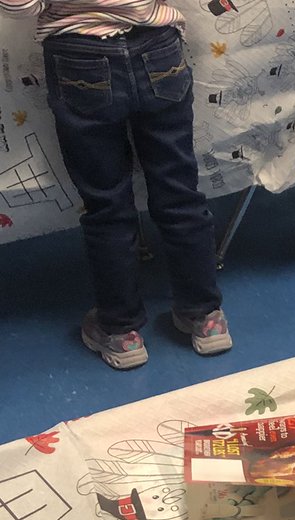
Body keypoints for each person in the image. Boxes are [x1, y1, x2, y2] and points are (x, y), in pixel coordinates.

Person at [0, 0, 232, 368]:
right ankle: (205, 316)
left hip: (78, 52)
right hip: (158, 46)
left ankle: (121, 332)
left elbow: (20, 8)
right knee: (179, 191)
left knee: (107, 203)